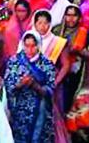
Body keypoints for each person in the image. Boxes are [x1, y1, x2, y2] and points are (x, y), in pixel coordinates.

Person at [4, 31, 55, 143]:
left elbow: (51, 89)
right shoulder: (15, 62)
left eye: (33, 46)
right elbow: (8, 85)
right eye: (27, 46)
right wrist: (20, 84)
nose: (30, 50)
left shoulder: (47, 64)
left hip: (41, 111)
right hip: (21, 111)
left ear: (39, 45)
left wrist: (36, 86)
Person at [52, 5, 89, 142]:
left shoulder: (85, 33)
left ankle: (80, 135)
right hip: (61, 74)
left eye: (74, 15)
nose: (70, 19)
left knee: (78, 105)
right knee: (63, 105)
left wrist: (78, 51)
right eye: (68, 15)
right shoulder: (57, 31)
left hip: (79, 74)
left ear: (79, 17)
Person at [32, 10, 71, 143]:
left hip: (53, 86)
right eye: (40, 23)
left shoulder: (58, 42)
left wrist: (55, 82)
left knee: (53, 117)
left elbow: (66, 65)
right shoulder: (28, 41)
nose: (43, 26)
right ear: (35, 24)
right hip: (32, 87)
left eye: (46, 23)